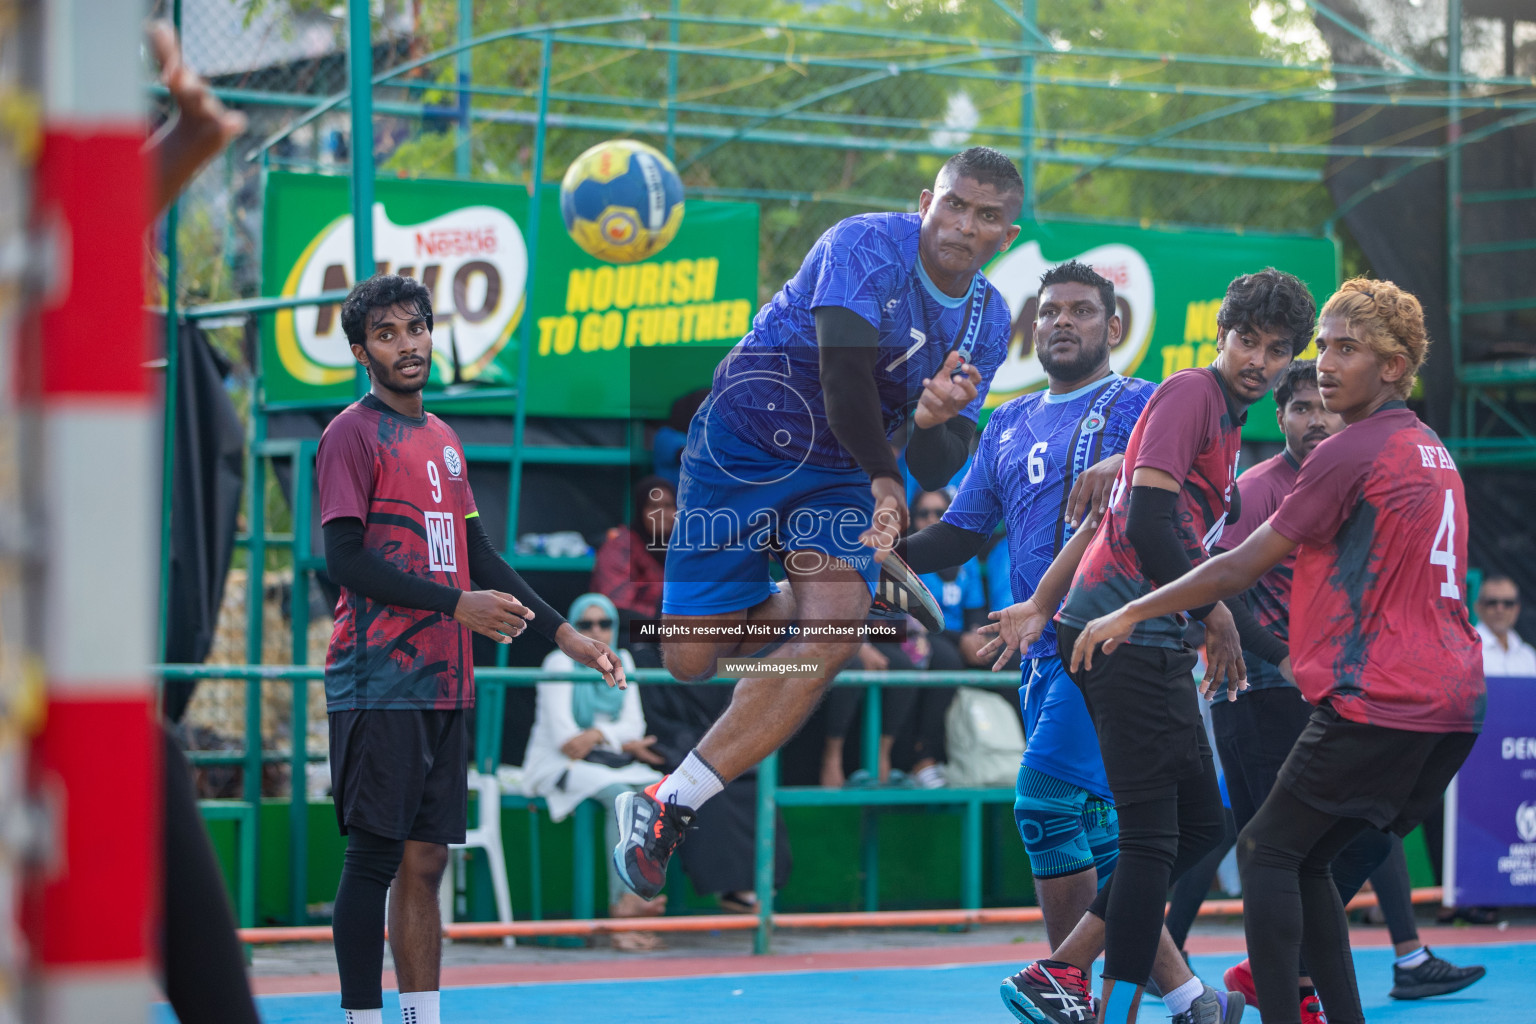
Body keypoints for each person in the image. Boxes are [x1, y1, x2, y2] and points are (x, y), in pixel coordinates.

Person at [1069, 278, 1486, 1024]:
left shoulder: (1343, 450)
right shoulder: (1430, 447)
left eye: (1344, 349)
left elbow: (1231, 566)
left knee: (1264, 853)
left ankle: (1248, 1000)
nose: (1322, 365)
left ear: (1394, 366)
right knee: (1310, 859)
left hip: (1374, 694)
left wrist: (1132, 608)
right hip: (1453, 704)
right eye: (1321, 346)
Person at [613, 147, 1026, 899]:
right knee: (690, 660)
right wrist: (884, 476)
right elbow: (842, 380)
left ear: (1009, 234)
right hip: (743, 442)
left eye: (987, 216)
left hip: (837, 474)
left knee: (833, 628)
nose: (966, 225)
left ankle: (667, 805)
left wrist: (932, 421)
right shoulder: (863, 242)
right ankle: (818, 587)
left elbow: (939, 463)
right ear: (925, 198)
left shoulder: (990, 320)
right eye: (956, 205)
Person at [901, 260, 1237, 1024]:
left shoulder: (1145, 404)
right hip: (1042, 656)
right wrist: (879, 557)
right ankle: (1192, 1003)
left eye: (1082, 311)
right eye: (1050, 310)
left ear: (1113, 328)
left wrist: (1127, 462)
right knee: (1105, 839)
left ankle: (1065, 984)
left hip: (1118, 639)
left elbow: (1197, 487)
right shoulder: (1010, 419)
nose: (1062, 322)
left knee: (1045, 807)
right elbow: (962, 532)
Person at [1003, 268, 1318, 1024]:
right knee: (1143, 834)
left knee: (1200, 829)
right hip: (1123, 630)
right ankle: (1087, 989)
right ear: (1223, 333)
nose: (1259, 360)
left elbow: (1154, 518)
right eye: (1248, 341)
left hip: (1150, 633)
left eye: (1278, 350)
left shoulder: (1229, 418)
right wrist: (1211, 613)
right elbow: (1146, 523)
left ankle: (1072, 971)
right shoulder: (1191, 395)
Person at [317, 274, 625, 1024]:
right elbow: (346, 560)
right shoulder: (349, 435)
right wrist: (457, 604)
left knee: (429, 862)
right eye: (386, 335)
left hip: (448, 682)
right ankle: (363, 1019)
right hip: (378, 681)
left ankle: (425, 1017)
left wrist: (566, 636)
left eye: (415, 327)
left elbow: (478, 553)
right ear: (363, 352)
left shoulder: (446, 441)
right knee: (374, 863)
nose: (407, 344)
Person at [1163, 361, 1483, 1016]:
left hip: (1343, 692)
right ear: (1278, 418)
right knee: (1270, 848)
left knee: (1350, 836)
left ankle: (1316, 970)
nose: (1317, 418)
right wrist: (1283, 662)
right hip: (1263, 693)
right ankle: (1289, 984)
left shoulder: (1363, 476)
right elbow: (1217, 582)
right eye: (1301, 407)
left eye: (1325, 407)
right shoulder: (1255, 489)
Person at [522, 594, 668, 950]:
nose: (597, 631)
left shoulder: (624, 659)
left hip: (601, 764)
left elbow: (635, 725)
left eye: (605, 623)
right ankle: (624, 910)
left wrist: (598, 735)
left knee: (661, 794)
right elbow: (565, 741)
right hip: (558, 766)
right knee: (622, 797)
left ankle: (638, 895)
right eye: (586, 625)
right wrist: (612, 738)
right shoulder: (558, 663)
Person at [590, 475, 675, 666]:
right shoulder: (621, 546)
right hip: (627, 632)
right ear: (640, 510)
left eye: (668, 506)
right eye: (653, 507)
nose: (661, 513)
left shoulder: (681, 548)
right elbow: (614, 610)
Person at [1473, 574, 1536, 676]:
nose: (1500, 609)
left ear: (1517, 609)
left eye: (1508, 603)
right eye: (1492, 603)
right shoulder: (1467, 651)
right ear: (1478, 607)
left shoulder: (1528, 656)